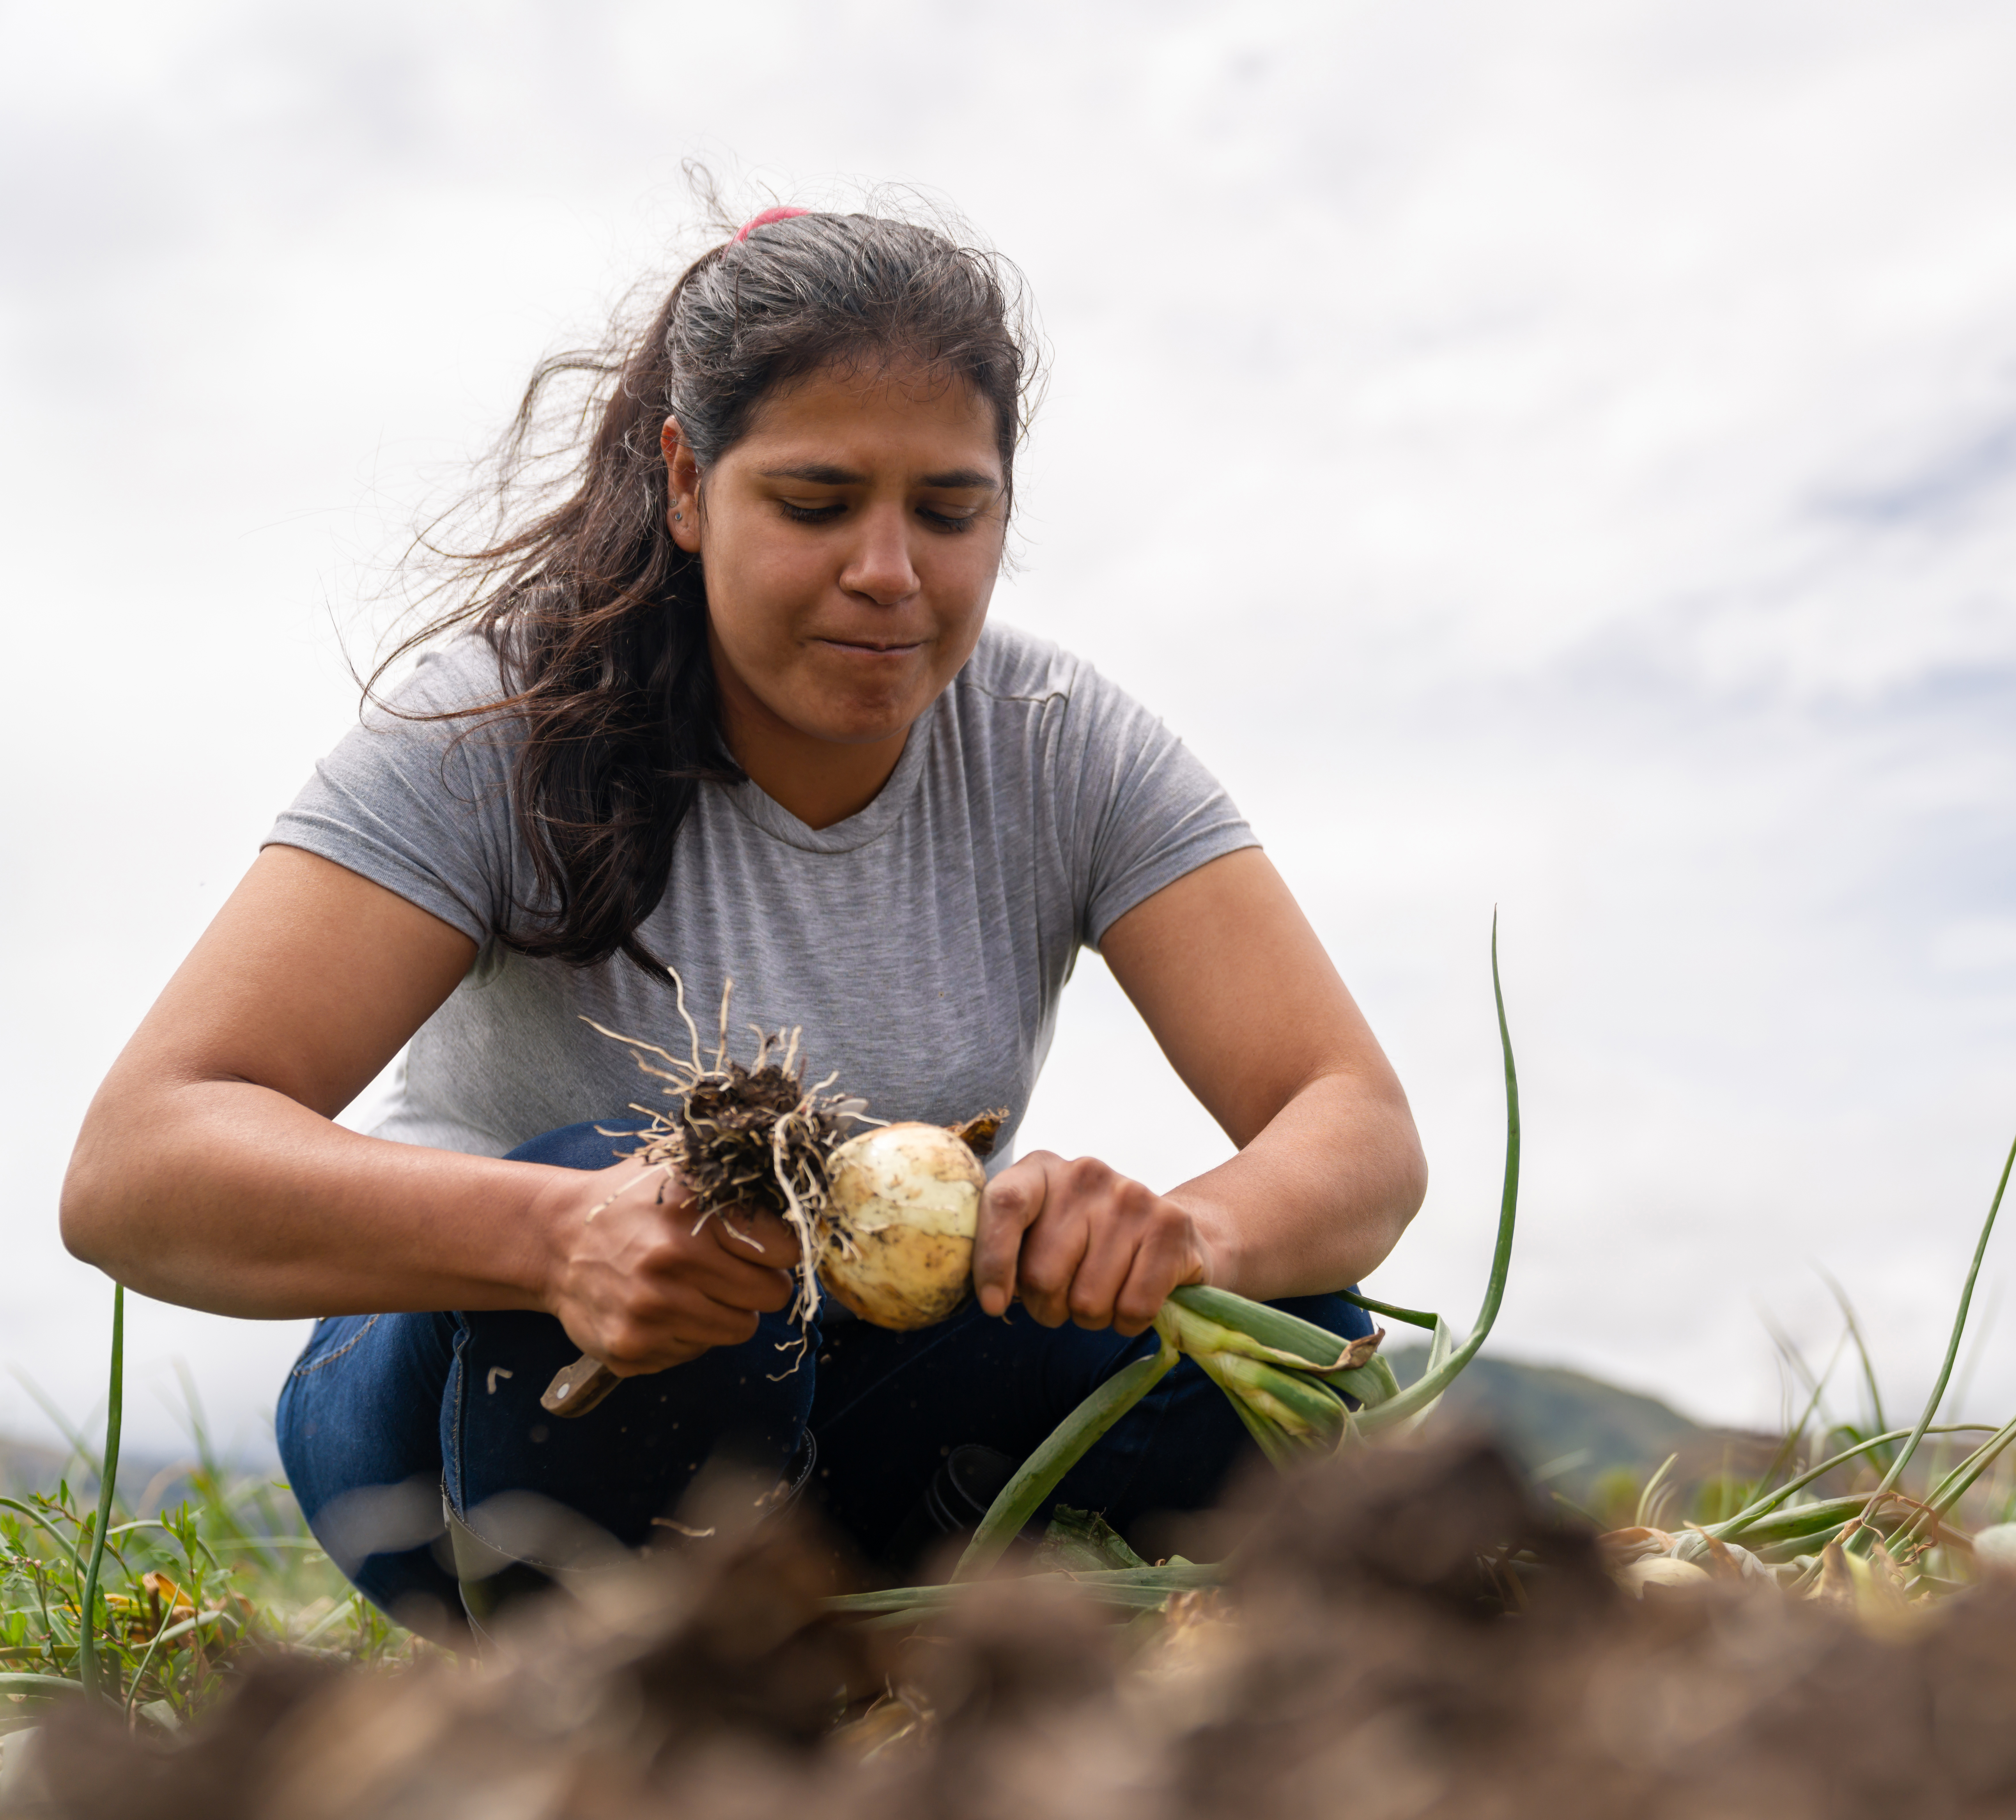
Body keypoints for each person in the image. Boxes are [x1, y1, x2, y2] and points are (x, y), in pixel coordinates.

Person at [56, 201, 1427, 1638]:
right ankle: (634, 1698)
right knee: (657, 1196)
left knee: (1289, 1346)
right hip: (485, 1404)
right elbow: (139, 1166)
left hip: (857, 1408)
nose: (889, 571)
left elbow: (1355, 1128)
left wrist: (1179, 1239)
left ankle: (870, 1644)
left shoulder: (1060, 745)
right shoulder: (491, 730)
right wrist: (554, 1230)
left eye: (949, 511)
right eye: (817, 504)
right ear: (688, 485)